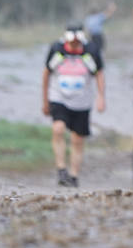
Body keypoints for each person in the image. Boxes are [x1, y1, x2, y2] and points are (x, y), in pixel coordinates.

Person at [41, 23, 106, 188]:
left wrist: (101, 97)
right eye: (72, 41)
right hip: (59, 98)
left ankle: (74, 176)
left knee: (77, 140)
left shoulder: (90, 51)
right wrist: (45, 100)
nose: (74, 44)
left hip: (82, 101)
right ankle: (61, 169)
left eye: (77, 41)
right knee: (58, 129)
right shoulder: (57, 50)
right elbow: (46, 73)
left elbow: (99, 73)